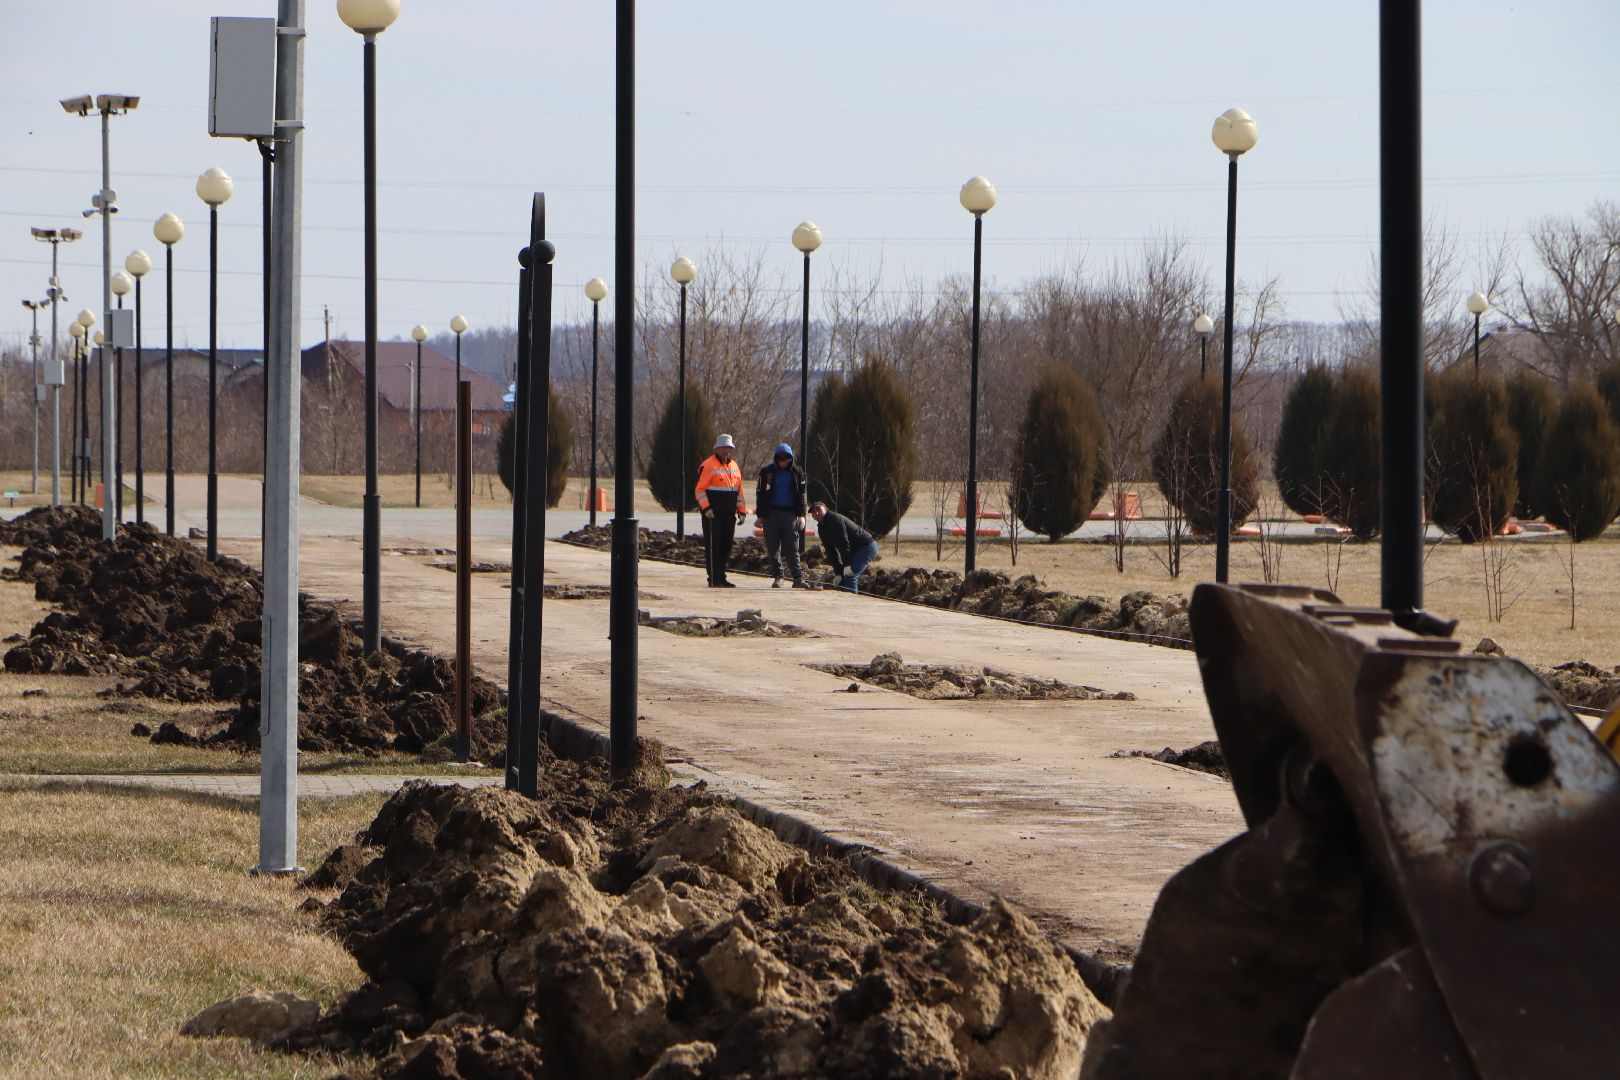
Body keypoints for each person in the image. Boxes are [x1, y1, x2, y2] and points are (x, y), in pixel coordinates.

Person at [694, 434, 748, 588]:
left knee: (726, 544)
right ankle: (713, 577)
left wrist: (742, 511)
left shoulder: (734, 467)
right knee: (714, 545)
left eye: (729, 448)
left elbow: (739, 492)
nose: (726, 451)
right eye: (724, 448)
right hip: (713, 514)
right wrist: (706, 508)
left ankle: (722, 576)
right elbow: (699, 490)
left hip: (729, 514)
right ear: (716, 449)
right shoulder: (708, 465)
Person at [755, 443, 809, 589]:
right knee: (773, 548)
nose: (784, 461)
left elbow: (802, 495)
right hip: (770, 514)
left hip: (790, 514)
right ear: (776, 458)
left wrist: (802, 515)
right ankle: (778, 576)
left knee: (792, 547)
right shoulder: (767, 472)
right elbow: (760, 494)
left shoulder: (797, 472)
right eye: (781, 458)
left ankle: (798, 578)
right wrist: (760, 515)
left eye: (787, 458)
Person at [810, 502, 878, 593]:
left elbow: (844, 543)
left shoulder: (835, 520)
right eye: (813, 511)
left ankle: (851, 604)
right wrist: (838, 573)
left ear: (826, 509)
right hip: (855, 549)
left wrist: (847, 564)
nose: (816, 512)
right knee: (844, 576)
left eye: (818, 509)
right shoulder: (822, 527)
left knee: (850, 575)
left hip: (866, 547)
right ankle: (848, 600)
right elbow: (831, 551)